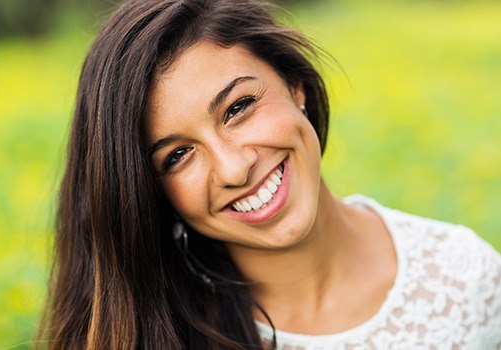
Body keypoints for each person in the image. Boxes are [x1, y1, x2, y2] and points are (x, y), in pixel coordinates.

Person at [37, 0, 501, 349]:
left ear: (294, 84)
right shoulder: (147, 333)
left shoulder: (467, 281)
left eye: (238, 108)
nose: (234, 168)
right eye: (178, 155)